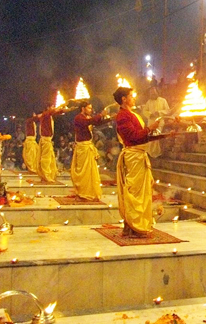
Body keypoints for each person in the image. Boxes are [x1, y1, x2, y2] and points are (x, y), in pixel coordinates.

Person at [113, 87, 162, 238]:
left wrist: (163, 135)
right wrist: (150, 128)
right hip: (133, 157)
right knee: (134, 192)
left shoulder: (131, 114)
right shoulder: (122, 116)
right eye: (131, 96)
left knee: (141, 192)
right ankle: (134, 226)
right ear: (123, 99)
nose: (134, 99)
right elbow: (133, 136)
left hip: (139, 155)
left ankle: (132, 226)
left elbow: (142, 137)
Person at [71, 101, 110, 201]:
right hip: (82, 148)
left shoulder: (88, 118)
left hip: (88, 147)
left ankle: (90, 192)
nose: (91, 110)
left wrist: (110, 118)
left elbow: (96, 122)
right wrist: (100, 114)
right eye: (89, 108)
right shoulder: (79, 118)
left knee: (90, 172)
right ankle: (82, 193)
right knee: (83, 172)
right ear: (83, 109)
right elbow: (88, 122)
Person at [38, 105, 70, 182]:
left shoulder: (48, 115)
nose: (53, 108)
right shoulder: (45, 114)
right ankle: (46, 175)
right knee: (46, 159)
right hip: (46, 140)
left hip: (48, 140)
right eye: (52, 107)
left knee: (50, 158)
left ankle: (49, 174)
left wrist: (66, 110)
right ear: (48, 108)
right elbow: (53, 111)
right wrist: (62, 104)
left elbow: (57, 112)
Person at [142, 86, 170, 158]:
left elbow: (167, 110)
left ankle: (157, 153)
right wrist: (150, 114)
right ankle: (150, 153)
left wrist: (159, 112)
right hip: (151, 122)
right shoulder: (149, 102)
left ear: (157, 92)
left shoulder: (163, 100)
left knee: (156, 136)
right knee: (150, 137)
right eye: (151, 93)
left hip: (159, 122)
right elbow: (144, 111)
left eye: (154, 93)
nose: (153, 94)